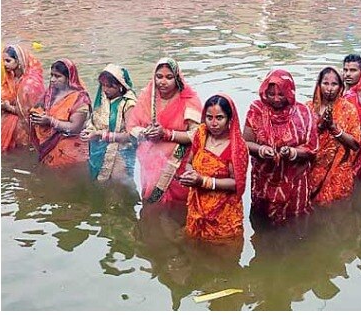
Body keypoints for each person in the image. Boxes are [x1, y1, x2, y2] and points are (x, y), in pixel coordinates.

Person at [243, 69, 318, 224]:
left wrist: (292, 152)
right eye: (271, 94)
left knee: (295, 223)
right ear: (264, 92)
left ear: (290, 92)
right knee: (262, 223)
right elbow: (246, 143)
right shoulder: (256, 110)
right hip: (263, 179)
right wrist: (261, 150)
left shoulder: (304, 113)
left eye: (281, 94)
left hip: (295, 181)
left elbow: (312, 149)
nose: (276, 99)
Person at [127, 58, 202, 204]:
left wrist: (167, 134)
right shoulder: (147, 98)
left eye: (169, 77)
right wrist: (145, 133)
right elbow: (132, 128)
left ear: (177, 78)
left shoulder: (189, 99)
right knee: (152, 205)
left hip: (178, 163)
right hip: (150, 163)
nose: (163, 82)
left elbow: (198, 134)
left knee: (178, 207)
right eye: (159, 76)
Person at [178, 94, 248, 242]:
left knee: (222, 255)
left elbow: (237, 183)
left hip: (223, 214)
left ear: (229, 118)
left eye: (219, 118)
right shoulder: (201, 134)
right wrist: (189, 174)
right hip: (197, 207)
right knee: (194, 249)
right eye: (209, 117)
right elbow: (190, 161)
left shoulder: (237, 146)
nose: (213, 124)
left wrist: (203, 181)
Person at [306, 68, 361, 205]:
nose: (329, 88)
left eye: (334, 84)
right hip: (312, 170)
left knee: (337, 210)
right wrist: (320, 127)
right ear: (319, 85)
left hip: (339, 171)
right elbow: (302, 141)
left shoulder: (348, 109)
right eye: (325, 83)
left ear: (341, 87)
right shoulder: (308, 108)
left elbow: (355, 145)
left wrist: (333, 128)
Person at [80, 64, 138, 183]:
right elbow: (94, 121)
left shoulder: (128, 104)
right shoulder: (102, 99)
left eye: (110, 86)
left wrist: (102, 135)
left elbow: (132, 135)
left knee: (118, 192)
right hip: (98, 152)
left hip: (120, 155)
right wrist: (89, 131)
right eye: (103, 85)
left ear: (121, 86)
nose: (105, 89)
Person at [29, 59, 91, 167]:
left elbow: (75, 127)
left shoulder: (80, 99)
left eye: (57, 76)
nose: (52, 80)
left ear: (69, 78)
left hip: (70, 149)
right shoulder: (50, 93)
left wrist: (50, 121)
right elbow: (38, 108)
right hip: (49, 146)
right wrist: (37, 116)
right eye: (51, 75)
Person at [1, 44, 45, 152]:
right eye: (3, 61)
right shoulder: (11, 76)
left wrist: (8, 108)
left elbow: (29, 112)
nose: (4, 64)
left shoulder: (30, 83)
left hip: (26, 123)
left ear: (19, 61)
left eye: (8, 60)